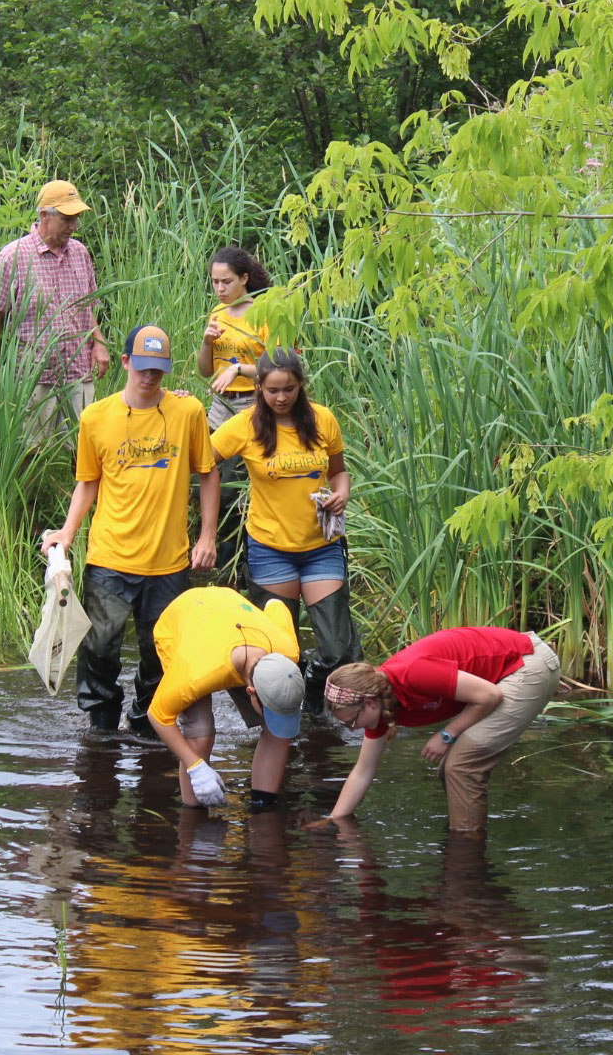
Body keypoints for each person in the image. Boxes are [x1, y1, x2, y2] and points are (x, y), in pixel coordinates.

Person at [40, 324, 220, 739]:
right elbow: (88, 482)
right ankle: (102, 727)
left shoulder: (187, 412)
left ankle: (145, 721)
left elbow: (207, 474)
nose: (149, 377)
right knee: (99, 646)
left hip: (168, 560)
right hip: (110, 556)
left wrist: (207, 536)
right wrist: (68, 533)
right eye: (141, 367)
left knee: (161, 652)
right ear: (124, 362)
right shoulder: (96, 417)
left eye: (157, 369)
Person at [209, 348, 361, 709]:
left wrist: (341, 493)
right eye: (272, 390)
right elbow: (200, 460)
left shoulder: (323, 420)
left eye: (288, 389)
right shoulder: (245, 426)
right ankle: (287, 717)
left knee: (339, 649)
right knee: (280, 652)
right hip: (269, 549)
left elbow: (339, 470)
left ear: (300, 386)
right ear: (259, 387)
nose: (280, 398)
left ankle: (313, 689)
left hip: (321, 545)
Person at [321, 627, 560, 832]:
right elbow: (362, 773)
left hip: (527, 664)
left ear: (369, 704)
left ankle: (466, 855)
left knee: (461, 767)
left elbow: (489, 695)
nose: (352, 729)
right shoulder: (380, 708)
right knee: (449, 769)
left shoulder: (412, 673)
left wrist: (447, 735)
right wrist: (333, 821)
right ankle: (465, 838)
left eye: (352, 722)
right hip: (505, 674)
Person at [147, 586, 305, 810]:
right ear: (250, 691)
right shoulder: (197, 672)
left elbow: (276, 605)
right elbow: (158, 716)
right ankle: (194, 812)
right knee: (200, 734)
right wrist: (196, 767)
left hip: (231, 609)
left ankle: (263, 806)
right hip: (183, 618)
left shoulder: (287, 649)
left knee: (277, 729)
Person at [0, 179, 110, 442]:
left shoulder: (80, 253)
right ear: (44, 216)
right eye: (67, 218)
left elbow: (87, 308)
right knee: (28, 450)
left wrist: (99, 343)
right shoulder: (14, 256)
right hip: (34, 375)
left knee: (85, 450)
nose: (73, 226)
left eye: (76, 219)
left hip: (77, 371)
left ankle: (75, 485)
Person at [196, 246, 272, 583]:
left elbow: (280, 369)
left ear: (244, 278)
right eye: (214, 282)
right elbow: (203, 370)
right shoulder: (217, 315)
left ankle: (251, 563)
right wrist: (207, 343)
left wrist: (240, 369)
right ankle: (222, 565)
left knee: (246, 488)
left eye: (226, 281)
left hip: (253, 406)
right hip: (219, 408)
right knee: (213, 483)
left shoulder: (265, 314)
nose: (220, 289)